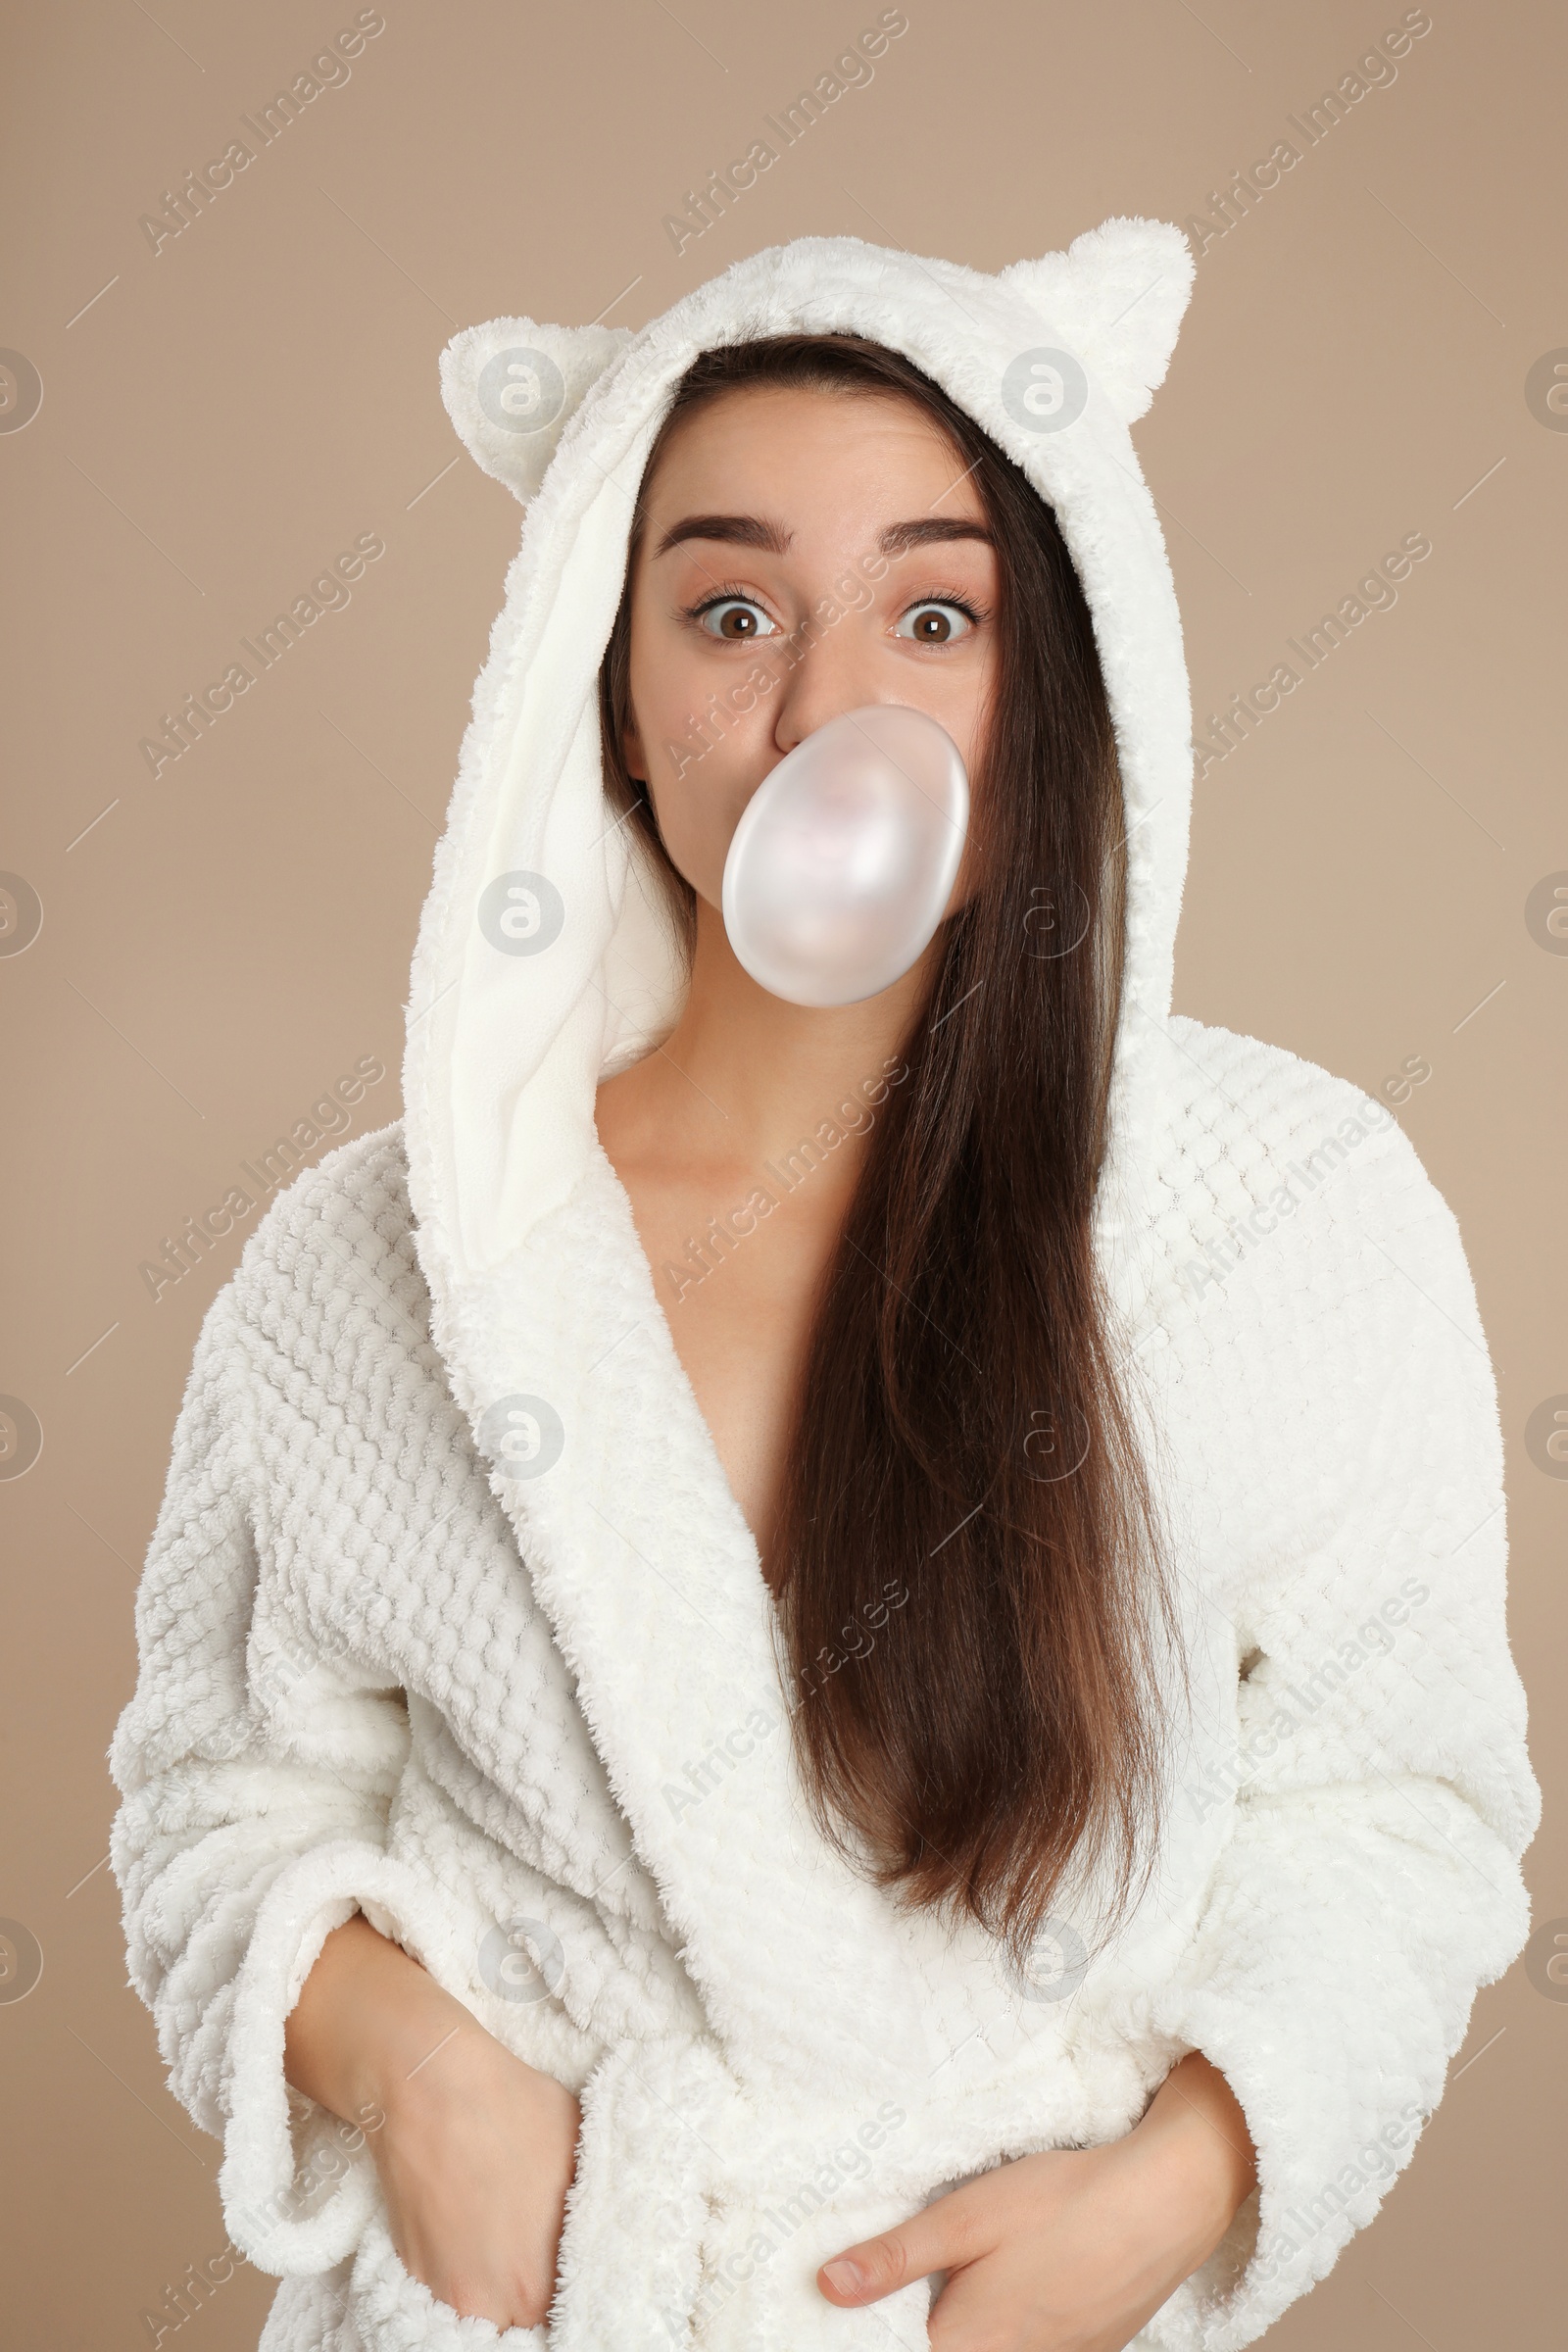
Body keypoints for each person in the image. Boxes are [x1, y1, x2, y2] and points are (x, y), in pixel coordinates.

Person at [110, 221, 1539, 2352]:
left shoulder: (1285, 1208)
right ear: (599, 694)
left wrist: (1168, 2193)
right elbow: (218, 1808)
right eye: (729, 609)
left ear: (1051, 686)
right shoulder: (369, 1266)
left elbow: (1395, 1804)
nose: (824, 709)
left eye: (933, 613)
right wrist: (411, 2075)